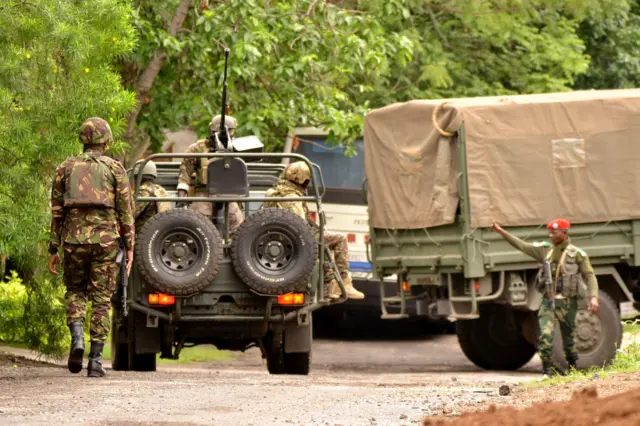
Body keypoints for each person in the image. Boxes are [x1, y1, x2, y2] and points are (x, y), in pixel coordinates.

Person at [48, 117, 135, 378]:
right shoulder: (115, 169)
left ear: (82, 141)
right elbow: (125, 212)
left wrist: (54, 249)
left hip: (73, 239)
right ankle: (95, 362)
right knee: (101, 299)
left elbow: (56, 212)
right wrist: (129, 246)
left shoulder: (65, 167)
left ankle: (77, 340)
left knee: (75, 290)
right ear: (106, 140)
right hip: (106, 241)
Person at [490, 219, 599, 376]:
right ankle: (548, 370)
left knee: (569, 340)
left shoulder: (577, 255)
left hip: (568, 303)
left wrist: (593, 296)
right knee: (545, 335)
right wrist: (502, 232)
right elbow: (522, 245)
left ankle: (573, 367)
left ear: (564, 233)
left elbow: (589, 276)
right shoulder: (545, 251)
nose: (551, 235)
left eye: (554, 232)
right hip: (549, 301)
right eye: (550, 232)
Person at [263, 161, 365, 300]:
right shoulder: (293, 198)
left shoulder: (274, 192)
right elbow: (300, 227)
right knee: (339, 239)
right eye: (307, 181)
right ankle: (344, 281)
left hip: (278, 237)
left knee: (323, 240)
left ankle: (331, 283)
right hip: (295, 239)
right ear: (302, 180)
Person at [176, 114, 244, 233]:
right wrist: (181, 199)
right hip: (204, 193)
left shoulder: (236, 148)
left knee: (238, 228)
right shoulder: (198, 148)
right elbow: (184, 174)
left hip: (228, 194)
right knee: (197, 226)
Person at [132, 159, 170, 230]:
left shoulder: (143, 190)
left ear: (138, 176)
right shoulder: (160, 190)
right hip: (158, 232)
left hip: (141, 233)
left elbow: (131, 214)